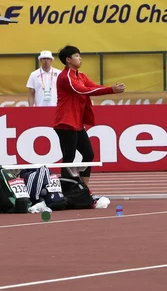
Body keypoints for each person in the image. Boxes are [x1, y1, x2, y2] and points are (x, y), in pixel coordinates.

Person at [53, 45, 126, 186]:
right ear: (68, 60)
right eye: (76, 56)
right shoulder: (65, 77)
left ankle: (83, 188)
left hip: (77, 123)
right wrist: (111, 90)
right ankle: (67, 190)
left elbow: (92, 86)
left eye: (80, 55)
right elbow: (83, 91)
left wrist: (109, 88)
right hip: (65, 122)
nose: (80, 58)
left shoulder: (80, 76)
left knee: (88, 154)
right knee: (69, 157)